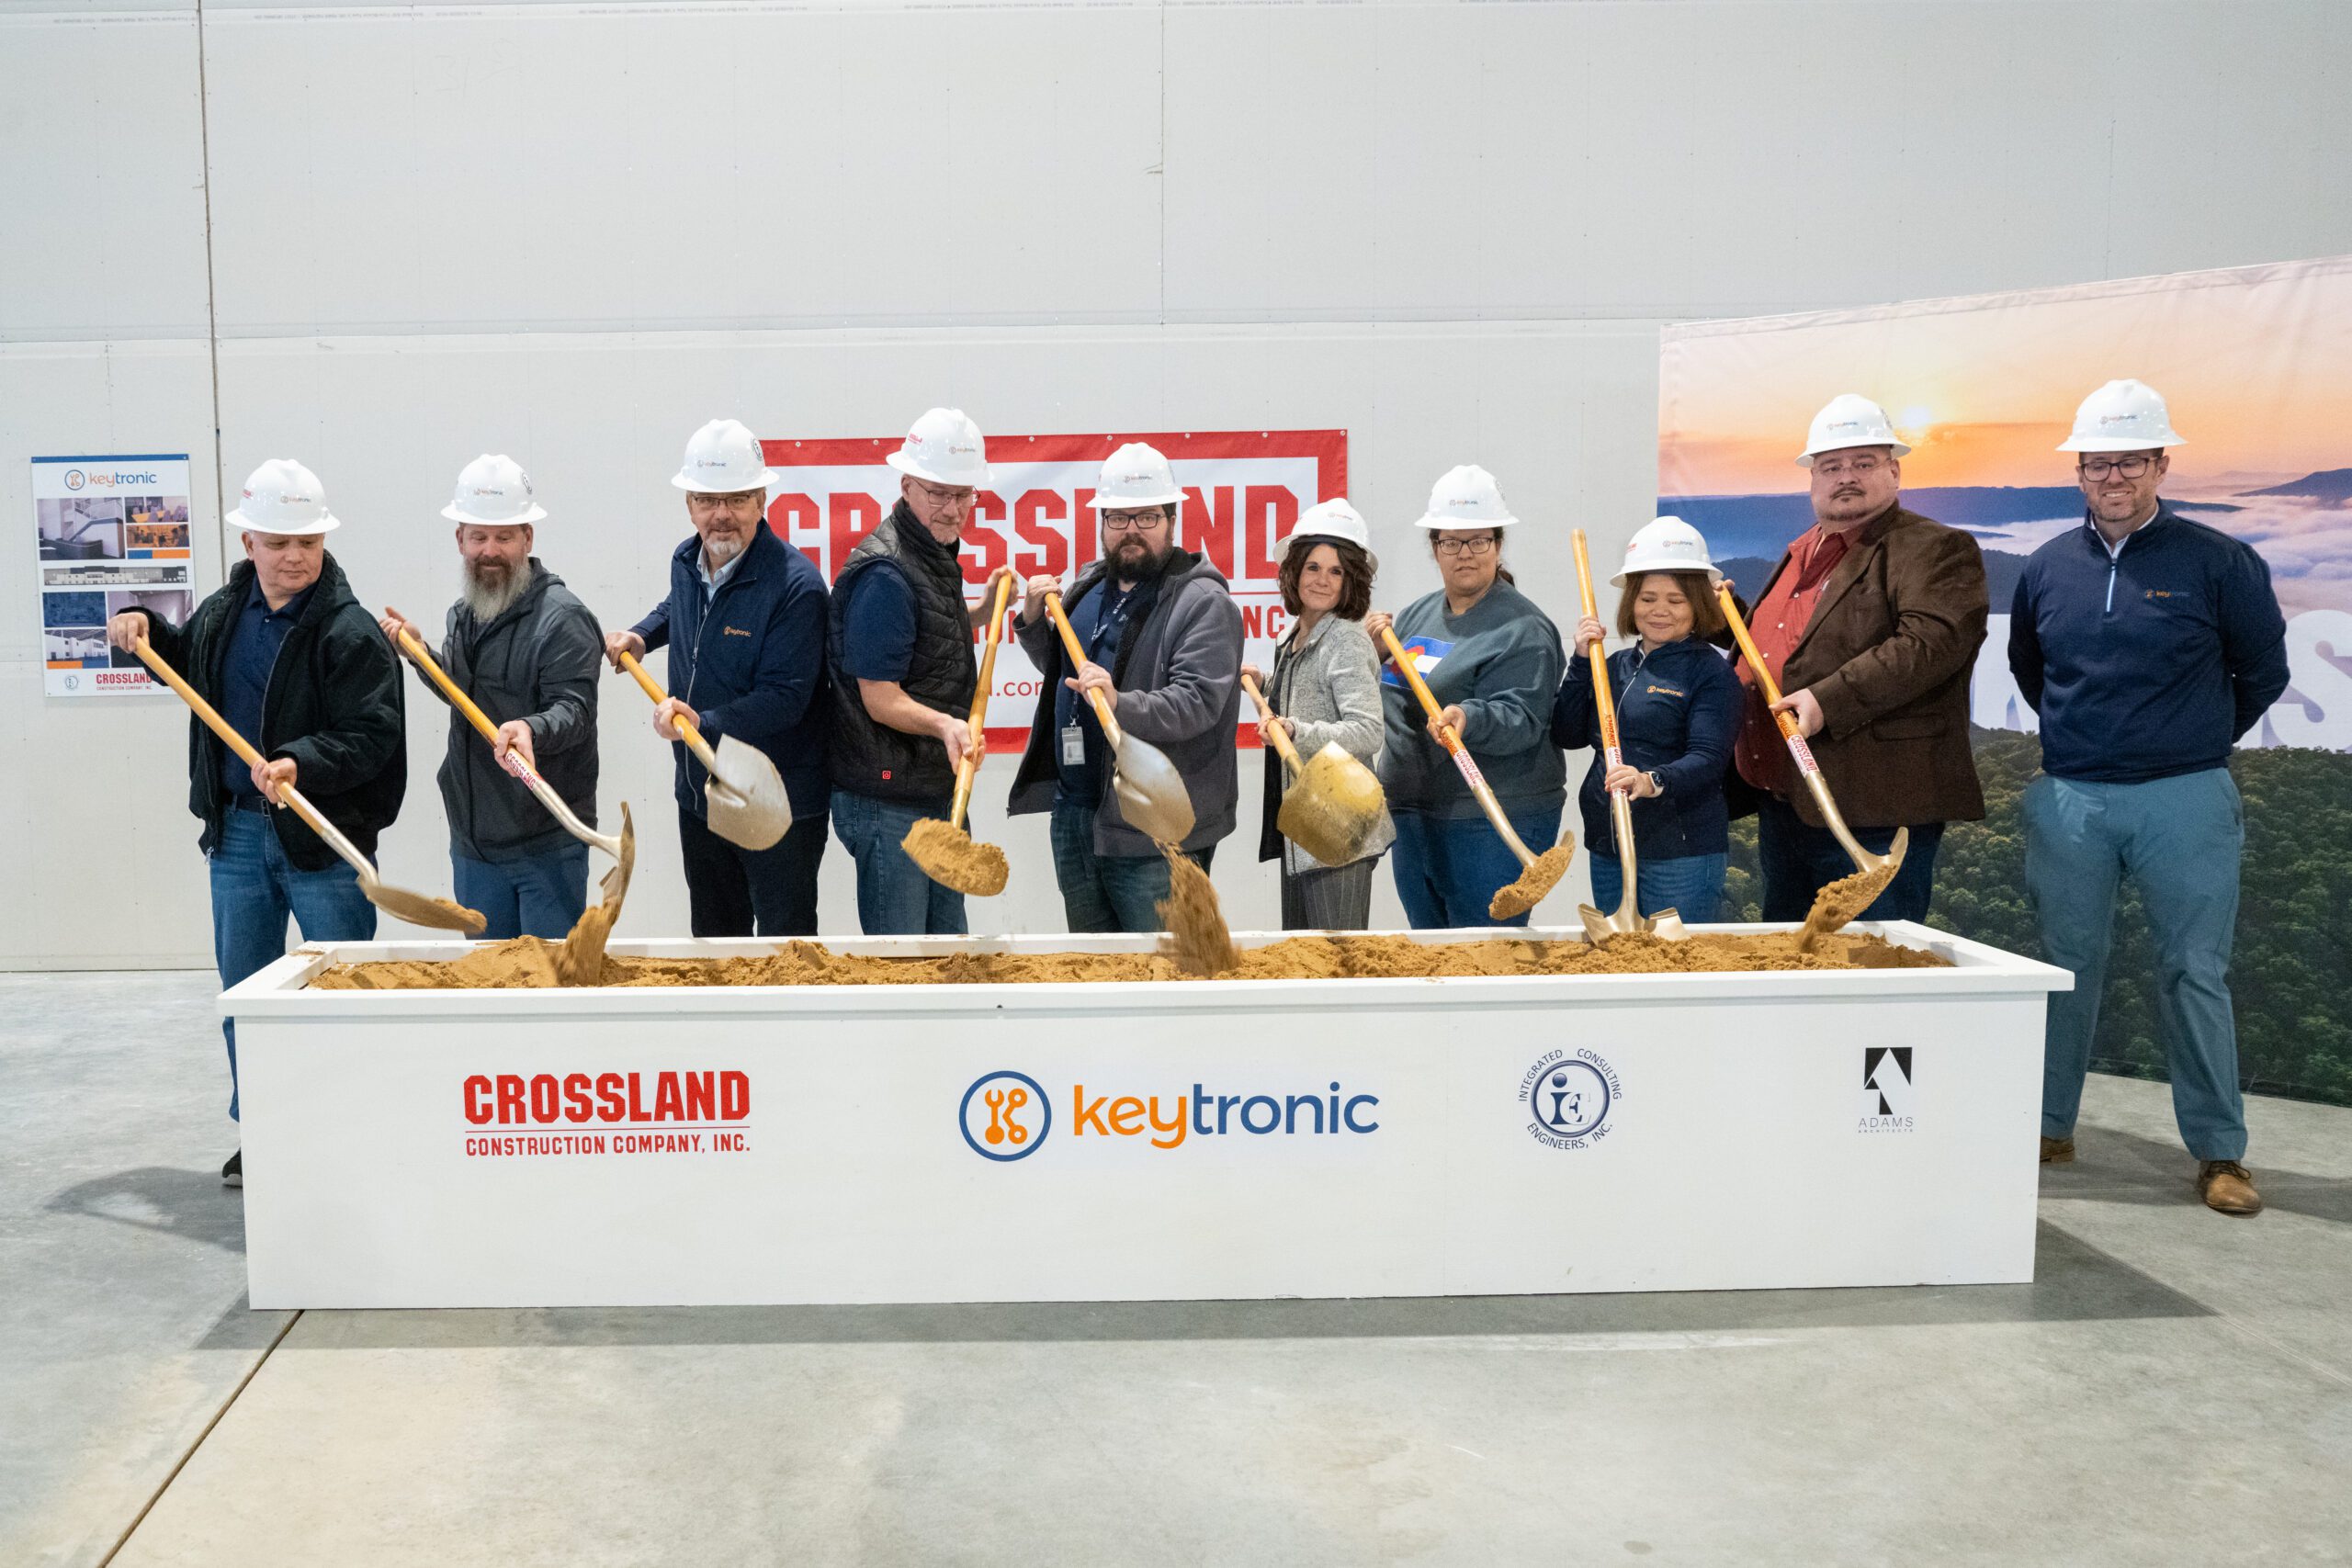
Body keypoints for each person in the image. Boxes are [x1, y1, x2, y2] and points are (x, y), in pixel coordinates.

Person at [2009, 379, 2289, 1216]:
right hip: (2071, 800)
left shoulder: (2219, 560)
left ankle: (2219, 1152)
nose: (2114, 477)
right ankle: (2051, 1125)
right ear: (2080, 470)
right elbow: (2034, 670)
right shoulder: (2047, 565)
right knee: (2065, 967)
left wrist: (2188, 741)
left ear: (2163, 463)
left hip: (2185, 799)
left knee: (2192, 971)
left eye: (2131, 460)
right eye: (2098, 463)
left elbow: (2263, 672)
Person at [106, 458, 404, 1188]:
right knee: (246, 994)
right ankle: (267, 1129)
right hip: (238, 834)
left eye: (307, 541)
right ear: (250, 546)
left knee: (339, 992)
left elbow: (372, 736)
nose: (295, 556)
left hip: (321, 837)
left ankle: (345, 1127)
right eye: (278, 542)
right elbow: (190, 668)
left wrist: (300, 761)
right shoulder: (220, 613)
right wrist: (149, 636)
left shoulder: (350, 631)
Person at [1731, 393, 1986, 922]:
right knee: (1790, 961)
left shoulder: (1934, 547)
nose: (1846, 476)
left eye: (1863, 463)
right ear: (1812, 479)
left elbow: (1930, 643)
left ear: (1893, 471)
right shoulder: (1802, 550)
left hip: (1873, 804)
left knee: (1870, 964)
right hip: (1788, 802)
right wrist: (1719, 616)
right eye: (1831, 466)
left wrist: (1827, 700)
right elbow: (1791, 643)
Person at [604, 419, 829, 937]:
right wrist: (641, 635)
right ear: (689, 506)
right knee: (714, 946)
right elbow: (678, 610)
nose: (721, 515)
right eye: (707, 500)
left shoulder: (796, 587)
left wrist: (701, 721)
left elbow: (785, 700)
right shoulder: (687, 560)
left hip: (776, 803)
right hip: (702, 794)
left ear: (762, 502)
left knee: (784, 953)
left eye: (737, 499)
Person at [1007, 442, 1243, 931]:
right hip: (1078, 817)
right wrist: (1033, 622)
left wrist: (1120, 702)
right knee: (1095, 978)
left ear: (1172, 521)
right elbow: (1064, 670)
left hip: (1155, 829)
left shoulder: (1204, 602)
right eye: (1118, 518)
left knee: (1165, 978)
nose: (1131, 529)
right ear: (1102, 523)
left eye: (1147, 517)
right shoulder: (1091, 585)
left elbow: (1198, 703)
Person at [379, 455, 602, 941]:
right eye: (478, 537)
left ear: (528, 538)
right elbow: (464, 698)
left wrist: (530, 729)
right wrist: (422, 656)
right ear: (459, 539)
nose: (490, 550)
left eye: (503, 536)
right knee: (486, 986)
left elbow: (575, 710)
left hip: (546, 843)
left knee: (547, 991)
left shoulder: (562, 618)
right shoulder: (464, 614)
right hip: (475, 843)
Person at [826, 408, 1016, 934]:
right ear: (907, 485)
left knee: (946, 955)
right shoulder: (886, 573)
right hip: (888, 798)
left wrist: (979, 610)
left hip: (925, 787)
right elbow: (879, 697)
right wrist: (946, 725)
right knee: (905, 964)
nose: (953, 509)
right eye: (938, 493)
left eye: (964, 495)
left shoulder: (930, 554)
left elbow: (922, 638)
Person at [1364, 464, 1566, 929]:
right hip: (1414, 812)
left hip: (1489, 818)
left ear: (1498, 545)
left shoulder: (1524, 628)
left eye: (1479, 541)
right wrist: (1374, 657)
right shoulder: (1415, 617)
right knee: (1432, 956)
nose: (1465, 554)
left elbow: (1523, 716)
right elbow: (1396, 698)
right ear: (1435, 548)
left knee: (1482, 961)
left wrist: (1469, 716)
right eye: (1450, 542)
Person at [1552, 518, 1743, 921]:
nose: (1659, 611)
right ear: (1631, 603)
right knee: (1618, 967)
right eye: (1648, 598)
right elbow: (1567, 734)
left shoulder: (1711, 673)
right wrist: (1582, 662)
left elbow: (1709, 758)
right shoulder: (1615, 666)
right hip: (1609, 844)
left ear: (1698, 604)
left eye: (1676, 600)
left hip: (1680, 851)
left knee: (1677, 970)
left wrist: (1651, 781)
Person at [1240, 499, 1394, 930]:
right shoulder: (1293, 636)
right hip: (1306, 826)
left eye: (1336, 571)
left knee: (1338, 964)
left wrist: (1294, 729)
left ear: (1352, 581)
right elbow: (1313, 699)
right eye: (1313, 567)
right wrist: (1267, 686)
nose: (1322, 580)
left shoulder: (1345, 638)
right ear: (1294, 571)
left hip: (1340, 827)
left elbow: (1366, 731)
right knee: (1304, 963)